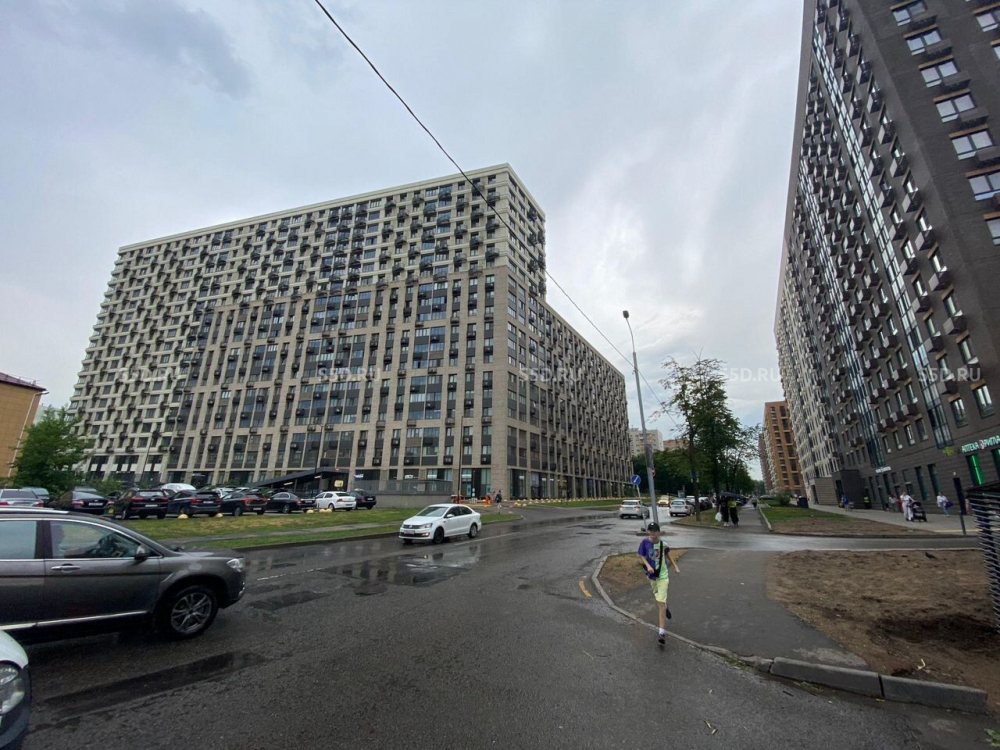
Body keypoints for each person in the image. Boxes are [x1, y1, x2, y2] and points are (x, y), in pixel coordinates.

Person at [638, 523, 681, 645]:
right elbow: (641, 555)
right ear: (648, 532)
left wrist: (675, 566)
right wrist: (647, 565)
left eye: (655, 531)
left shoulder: (663, 544)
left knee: (660, 604)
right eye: (651, 531)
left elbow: (668, 556)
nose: (653, 533)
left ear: (659, 532)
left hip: (663, 576)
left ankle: (661, 632)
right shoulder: (644, 543)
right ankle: (665, 606)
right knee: (659, 600)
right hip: (652, 577)